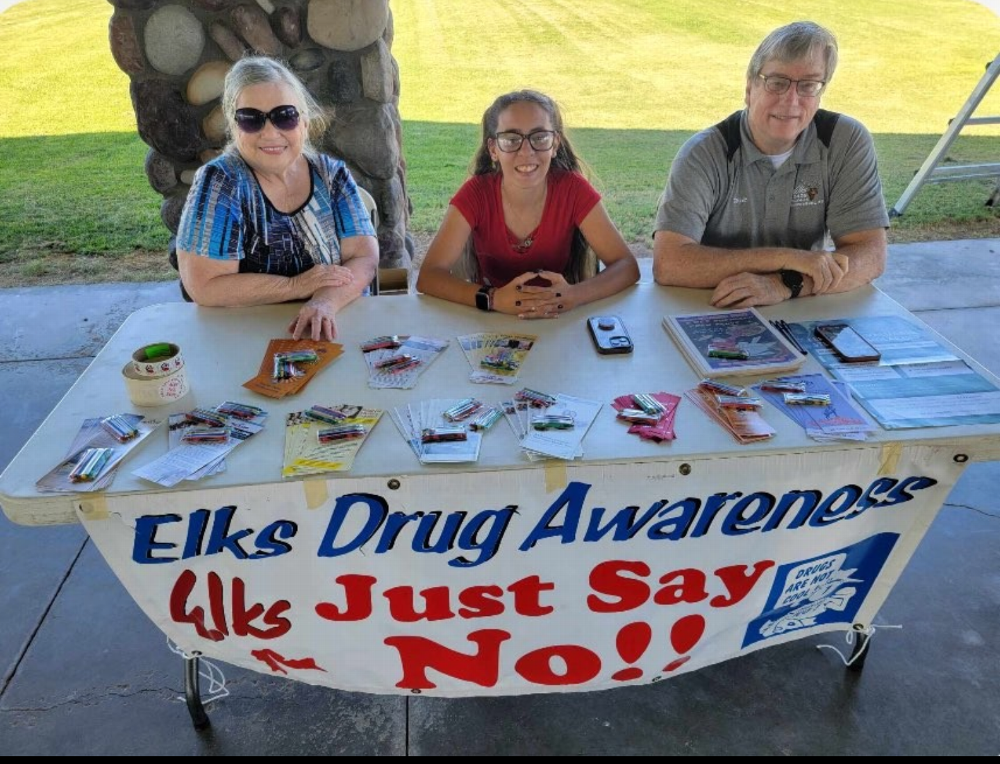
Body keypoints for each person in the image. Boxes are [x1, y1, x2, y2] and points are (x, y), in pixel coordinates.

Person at [652, 21, 889, 309]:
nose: (791, 101)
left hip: (803, 307)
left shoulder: (844, 140)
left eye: (808, 85)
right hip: (715, 307)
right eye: (776, 82)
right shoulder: (704, 153)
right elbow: (670, 263)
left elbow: (870, 253)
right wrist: (789, 258)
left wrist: (785, 283)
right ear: (749, 88)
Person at [175, 56, 378, 341]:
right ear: (234, 127)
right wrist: (296, 285)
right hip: (248, 336)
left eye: (285, 116)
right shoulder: (221, 182)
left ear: (304, 122)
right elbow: (204, 285)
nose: (270, 132)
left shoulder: (332, 176)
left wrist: (323, 302)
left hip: (336, 327)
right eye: (251, 119)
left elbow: (364, 256)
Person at [415, 90, 640, 319]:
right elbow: (429, 276)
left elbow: (626, 266)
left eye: (539, 137)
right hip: (492, 319)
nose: (526, 152)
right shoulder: (476, 194)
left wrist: (573, 295)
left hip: (559, 320)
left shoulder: (573, 189)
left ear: (555, 144)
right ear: (493, 149)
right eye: (512, 139)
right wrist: (493, 298)